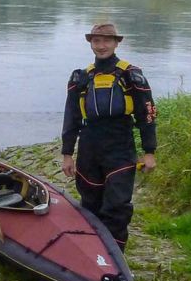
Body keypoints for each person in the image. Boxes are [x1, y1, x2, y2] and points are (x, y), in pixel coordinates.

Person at [60, 23, 158, 252]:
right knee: (90, 206)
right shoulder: (81, 77)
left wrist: (149, 151)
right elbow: (71, 117)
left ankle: (115, 258)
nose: (101, 46)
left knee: (116, 207)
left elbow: (148, 114)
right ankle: (93, 256)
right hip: (89, 148)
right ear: (90, 44)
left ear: (116, 43)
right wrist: (67, 154)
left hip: (120, 148)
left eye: (106, 41)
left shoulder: (131, 75)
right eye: (96, 41)